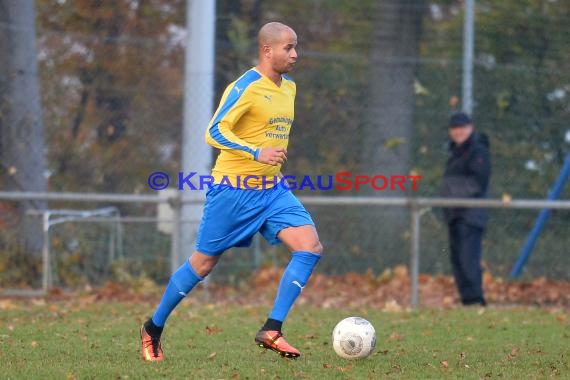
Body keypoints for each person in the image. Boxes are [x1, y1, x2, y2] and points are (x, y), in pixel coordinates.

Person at [140, 22, 323, 361]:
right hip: (233, 191)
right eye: (288, 48)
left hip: (272, 190)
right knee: (203, 263)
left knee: (309, 247)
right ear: (267, 50)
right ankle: (153, 327)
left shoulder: (290, 87)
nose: (295, 54)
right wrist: (256, 153)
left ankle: (272, 328)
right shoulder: (246, 87)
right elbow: (213, 131)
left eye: (296, 47)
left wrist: (268, 160)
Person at [441, 112, 491, 306]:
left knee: (468, 258)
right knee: (458, 260)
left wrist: (452, 194)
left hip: (470, 214)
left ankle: (476, 300)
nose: (458, 132)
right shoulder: (455, 152)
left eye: (462, 127)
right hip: (455, 214)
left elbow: (478, 182)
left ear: (471, 128)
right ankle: (468, 301)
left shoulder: (478, 151)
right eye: (455, 128)